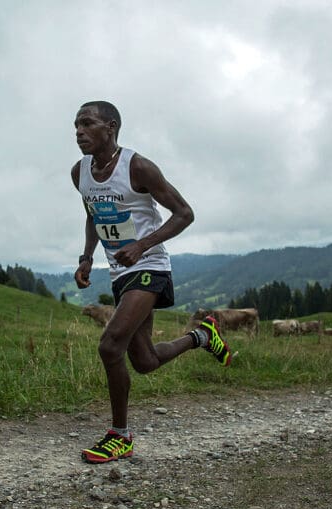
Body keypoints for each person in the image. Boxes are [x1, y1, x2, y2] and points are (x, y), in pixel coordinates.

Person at [71, 100, 233, 464]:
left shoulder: (138, 167)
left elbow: (185, 214)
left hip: (149, 266)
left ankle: (120, 435)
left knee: (110, 345)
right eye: (75, 126)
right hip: (119, 271)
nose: (79, 132)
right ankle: (202, 336)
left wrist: (142, 244)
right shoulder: (78, 172)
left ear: (110, 127)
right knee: (143, 361)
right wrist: (86, 257)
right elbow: (92, 214)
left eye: (87, 124)